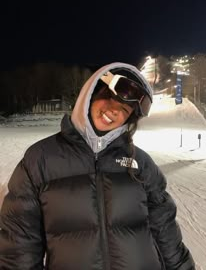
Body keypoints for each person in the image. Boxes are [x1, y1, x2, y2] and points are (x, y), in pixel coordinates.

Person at [0, 62, 195, 269]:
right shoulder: (40, 159)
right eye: (111, 98)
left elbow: (166, 234)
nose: (115, 111)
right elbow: (19, 246)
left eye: (125, 109)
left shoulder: (141, 163)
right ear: (91, 93)